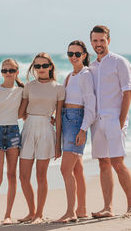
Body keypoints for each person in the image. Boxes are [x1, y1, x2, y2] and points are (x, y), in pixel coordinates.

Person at [89, 25, 131, 218]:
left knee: (117, 162)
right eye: (95, 40)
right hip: (97, 121)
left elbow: (128, 92)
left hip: (115, 119)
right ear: (91, 42)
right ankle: (108, 207)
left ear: (108, 40)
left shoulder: (120, 62)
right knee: (103, 163)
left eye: (102, 40)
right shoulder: (91, 66)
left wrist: (120, 121)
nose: (98, 44)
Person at [18, 52, 65, 224]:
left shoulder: (59, 88)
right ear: (34, 68)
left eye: (44, 65)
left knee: (41, 176)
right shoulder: (29, 87)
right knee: (23, 176)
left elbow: (58, 117)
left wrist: (58, 143)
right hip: (28, 128)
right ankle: (31, 212)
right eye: (37, 66)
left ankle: (39, 214)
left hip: (46, 129)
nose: (41, 69)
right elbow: (21, 113)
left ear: (51, 66)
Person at [55, 40, 96, 223]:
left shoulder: (86, 75)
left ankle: (70, 211)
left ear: (84, 56)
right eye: (70, 53)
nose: (73, 57)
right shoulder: (70, 76)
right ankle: (81, 209)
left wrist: (83, 129)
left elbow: (90, 104)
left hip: (77, 121)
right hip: (66, 120)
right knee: (77, 169)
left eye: (77, 54)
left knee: (65, 169)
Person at [0, 58, 24, 224]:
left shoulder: (21, 91)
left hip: (14, 132)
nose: (7, 73)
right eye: (4, 70)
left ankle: (8, 215)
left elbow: (25, 112)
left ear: (16, 72)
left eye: (10, 70)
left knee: (11, 175)